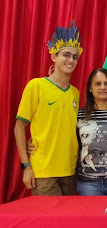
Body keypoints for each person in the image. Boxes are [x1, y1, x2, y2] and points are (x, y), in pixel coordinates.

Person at [14, 21, 83, 195]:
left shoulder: (75, 93)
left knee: (67, 221)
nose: (71, 60)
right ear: (54, 57)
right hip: (43, 172)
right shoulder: (36, 86)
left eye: (75, 57)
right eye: (66, 55)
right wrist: (26, 166)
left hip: (70, 171)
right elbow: (19, 127)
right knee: (48, 221)